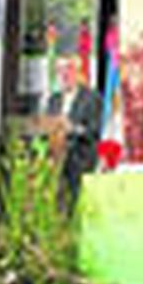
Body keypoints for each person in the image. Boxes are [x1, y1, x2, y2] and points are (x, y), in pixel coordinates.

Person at [46, 58, 101, 211]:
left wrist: (73, 128)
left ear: (77, 72)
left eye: (69, 69)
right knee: (57, 205)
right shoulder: (53, 100)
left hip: (80, 161)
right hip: (57, 161)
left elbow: (94, 131)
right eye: (60, 70)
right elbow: (48, 126)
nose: (65, 74)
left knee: (76, 206)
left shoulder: (91, 98)